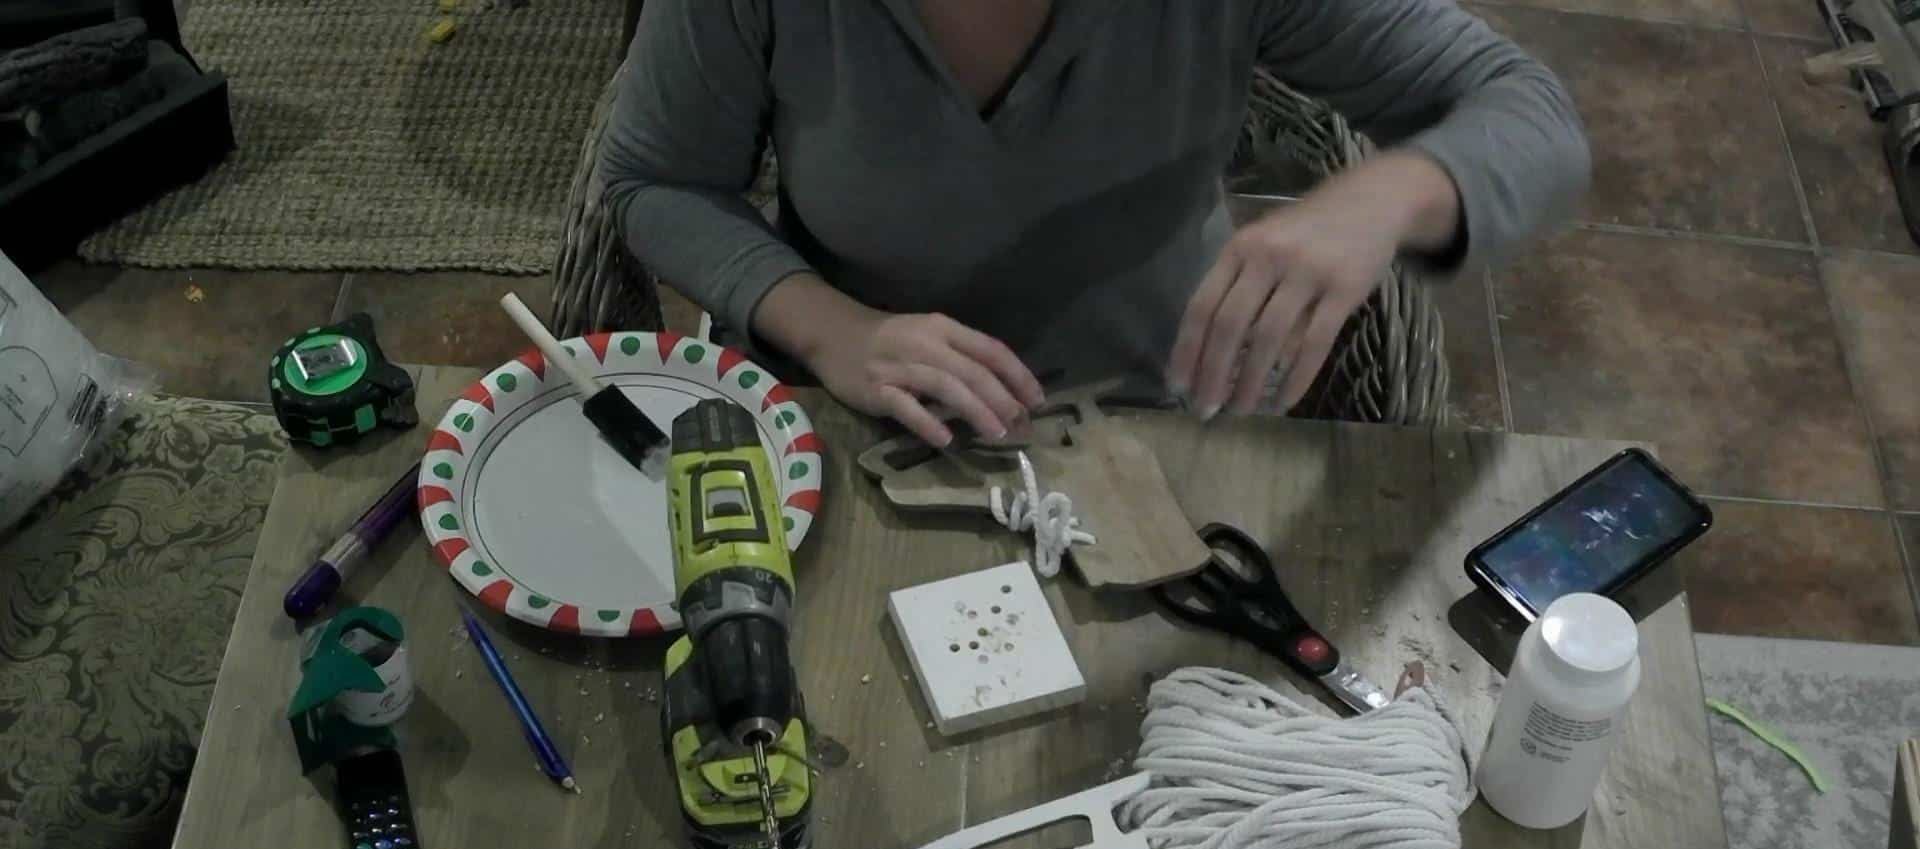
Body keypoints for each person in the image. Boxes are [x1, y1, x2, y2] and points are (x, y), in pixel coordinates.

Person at [602, 0, 1587, 447]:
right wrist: (829, 326)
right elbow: (655, 180)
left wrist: (1394, 191)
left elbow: (1528, 111)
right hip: (837, 422)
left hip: (1150, 427)